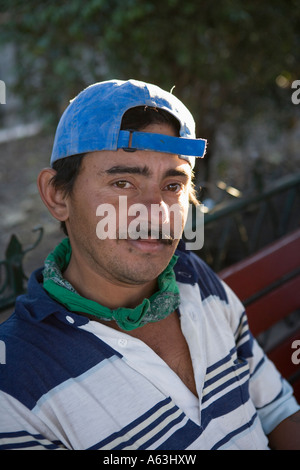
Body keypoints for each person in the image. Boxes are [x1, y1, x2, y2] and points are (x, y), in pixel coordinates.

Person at [0, 79, 299, 451]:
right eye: (123, 182)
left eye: (173, 186)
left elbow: (276, 408)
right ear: (57, 195)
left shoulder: (195, 279)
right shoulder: (15, 383)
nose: (156, 212)